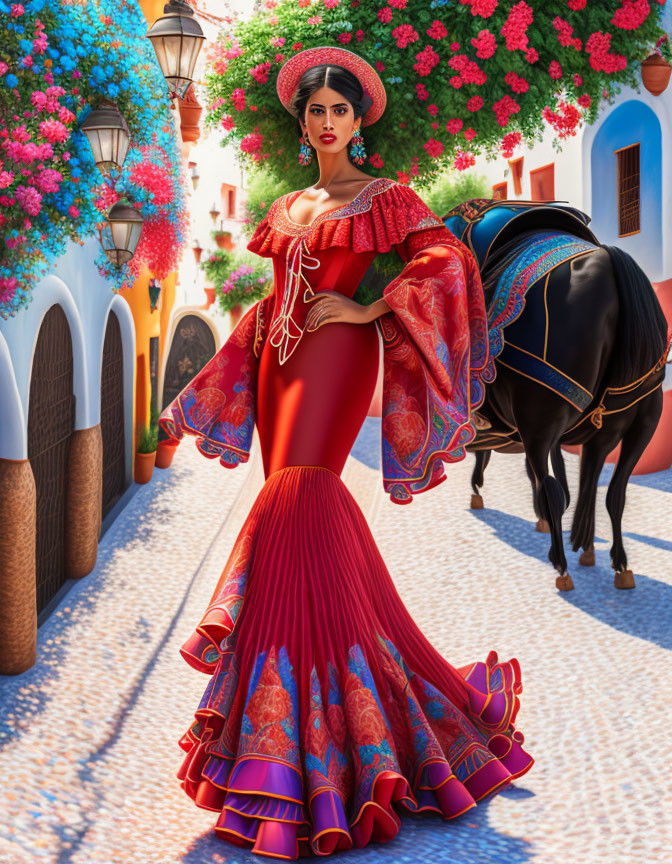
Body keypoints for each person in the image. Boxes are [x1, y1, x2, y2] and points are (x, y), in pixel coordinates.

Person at [159, 45, 533, 860]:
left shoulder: (385, 197)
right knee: (288, 516)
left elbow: (444, 264)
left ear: (359, 122)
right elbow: (274, 291)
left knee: (303, 499)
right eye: (315, 112)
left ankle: (314, 753)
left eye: (340, 111)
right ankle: (299, 743)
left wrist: (366, 316)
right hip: (276, 363)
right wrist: (242, 352)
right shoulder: (292, 203)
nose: (327, 123)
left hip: (335, 357)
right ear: (303, 124)